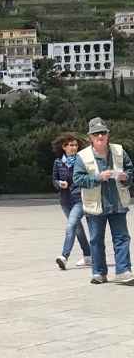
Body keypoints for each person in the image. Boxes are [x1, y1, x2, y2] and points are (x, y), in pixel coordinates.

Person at [72, 117, 133, 285]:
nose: (100, 136)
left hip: (118, 203)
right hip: (95, 205)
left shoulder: (119, 150)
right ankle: (99, 272)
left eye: (103, 133)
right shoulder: (82, 156)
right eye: (96, 134)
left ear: (107, 134)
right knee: (96, 240)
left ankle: (123, 271)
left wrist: (125, 176)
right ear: (90, 137)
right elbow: (78, 179)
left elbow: (130, 170)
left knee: (122, 238)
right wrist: (98, 177)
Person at [50, 132, 91, 270]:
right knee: (77, 229)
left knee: (70, 226)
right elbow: (54, 179)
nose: (74, 147)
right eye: (71, 145)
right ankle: (88, 255)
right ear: (63, 146)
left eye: (76, 145)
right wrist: (59, 184)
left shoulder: (81, 161)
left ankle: (64, 256)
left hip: (79, 199)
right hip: (65, 200)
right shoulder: (58, 162)